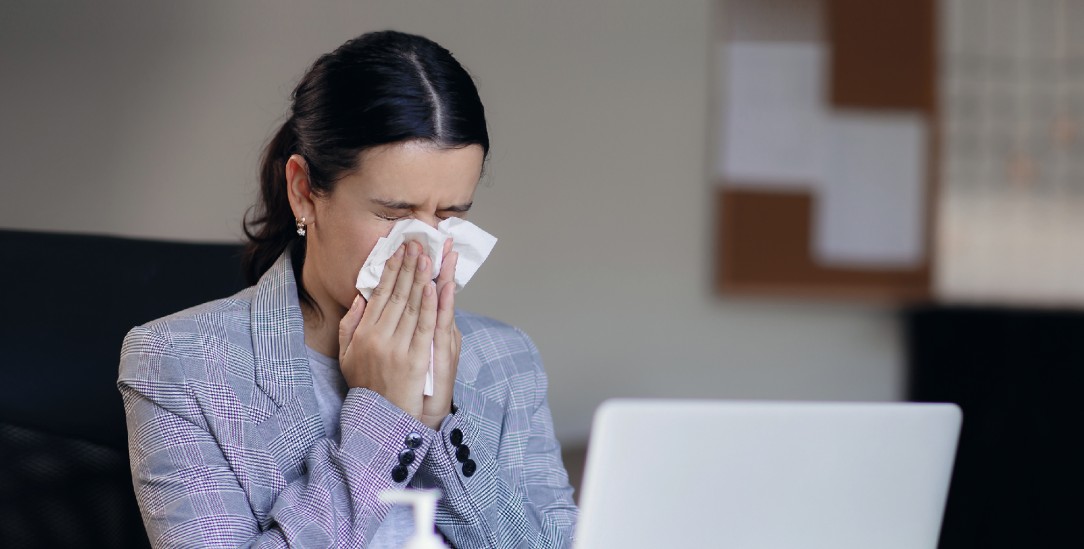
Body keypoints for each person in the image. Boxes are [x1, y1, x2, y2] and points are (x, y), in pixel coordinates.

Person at [118, 30, 578, 548]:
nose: (421, 249)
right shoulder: (182, 364)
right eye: (393, 213)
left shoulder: (506, 359)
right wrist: (383, 418)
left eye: (450, 216)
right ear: (303, 192)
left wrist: (440, 424)